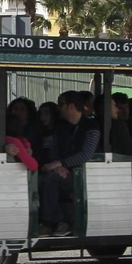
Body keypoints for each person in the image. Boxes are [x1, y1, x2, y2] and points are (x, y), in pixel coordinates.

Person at [37, 92, 102, 235]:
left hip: (85, 175)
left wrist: (61, 163)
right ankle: (62, 222)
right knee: (43, 179)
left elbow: (86, 155)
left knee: (50, 180)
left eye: (61, 105)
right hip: (65, 172)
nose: (58, 109)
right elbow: (54, 148)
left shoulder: (91, 127)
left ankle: (47, 223)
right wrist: (58, 166)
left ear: (71, 106)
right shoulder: (62, 126)